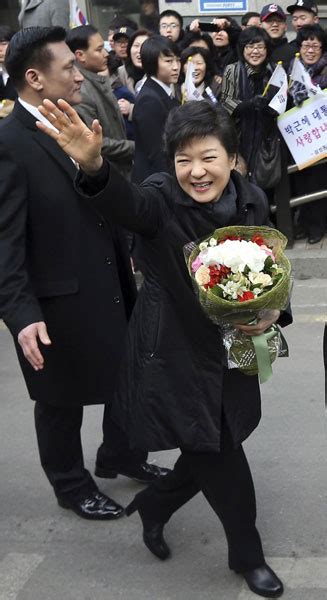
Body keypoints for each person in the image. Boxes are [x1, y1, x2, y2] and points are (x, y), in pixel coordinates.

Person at [36, 98, 292, 598]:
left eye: (208, 158)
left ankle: (154, 506)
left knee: (210, 446)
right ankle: (249, 555)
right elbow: (126, 204)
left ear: (233, 158)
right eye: (183, 159)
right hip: (175, 355)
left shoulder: (253, 199)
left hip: (235, 350)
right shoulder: (158, 198)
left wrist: (271, 312)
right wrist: (93, 167)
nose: (196, 172)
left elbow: (272, 267)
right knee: (222, 454)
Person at [0, 26, 169, 521]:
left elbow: (98, 186)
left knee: (126, 374)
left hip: (107, 276)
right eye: (67, 67)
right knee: (60, 399)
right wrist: (21, 312)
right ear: (34, 78)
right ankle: (71, 484)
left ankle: (120, 454)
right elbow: (5, 241)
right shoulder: (9, 144)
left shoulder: (68, 118)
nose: (78, 73)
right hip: (54, 298)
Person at [66, 25, 135, 179]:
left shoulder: (96, 81)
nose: (106, 54)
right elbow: (95, 142)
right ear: (80, 55)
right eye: (98, 50)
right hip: (108, 174)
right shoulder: (81, 91)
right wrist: (134, 148)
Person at [221, 27, 279, 190]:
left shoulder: (275, 70)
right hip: (239, 138)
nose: (255, 51)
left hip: (267, 140)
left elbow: (281, 103)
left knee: (267, 187)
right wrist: (248, 105)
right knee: (240, 187)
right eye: (249, 46)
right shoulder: (232, 70)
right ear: (242, 49)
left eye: (260, 47)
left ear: (267, 49)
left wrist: (271, 108)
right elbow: (226, 102)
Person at [289, 25, 327, 244]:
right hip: (299, 141)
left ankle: (317, 227)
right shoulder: (292, 71)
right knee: (300, 184)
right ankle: (303, 224)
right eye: (306, 45)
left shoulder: (325, 71)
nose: (310, 50)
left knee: (318, 184)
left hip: (320, 142)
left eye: (315, 45)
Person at [131, 35, 180, 184]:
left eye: (177, 60)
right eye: (168, 61)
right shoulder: (149, 100)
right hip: (155, 182)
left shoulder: (166, 92)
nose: (176, 66)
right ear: (152, 63)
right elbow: (157, 153)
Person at [260, 4, 294, 70]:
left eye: (279, 21)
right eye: (269, 21)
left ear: (286, 26)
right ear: (260, 26)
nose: (275, 24)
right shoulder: (254, 51)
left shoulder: (294, 53)